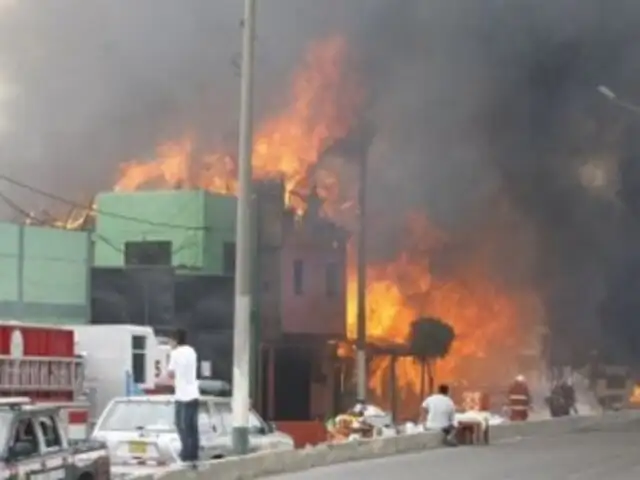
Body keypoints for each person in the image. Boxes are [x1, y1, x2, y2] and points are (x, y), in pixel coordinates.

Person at [166, 328, 200, 467]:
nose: (169, 343)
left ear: (175, 340)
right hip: (194, 393)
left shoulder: (175, 353)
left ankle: (185, 454)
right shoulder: (192, 351)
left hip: (182, 395)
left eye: (170, 340)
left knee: (181, 425)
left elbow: (170, 373)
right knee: (192, 426)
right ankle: (193, 453)